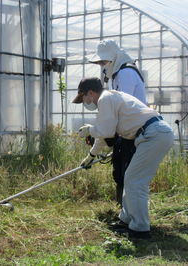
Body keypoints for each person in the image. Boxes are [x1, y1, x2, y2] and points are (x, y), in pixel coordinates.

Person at [72, 77, 174, 239]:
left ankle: (140, 229)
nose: (84, 102)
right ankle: (126, 220)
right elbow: (106, 132)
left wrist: (90, 130)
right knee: (131, 178)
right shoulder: (110, 98)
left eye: (83, 98)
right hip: (153, 134)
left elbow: (104, 131)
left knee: (135, 181)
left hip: (153, 135)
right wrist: (91, 155)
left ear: (90, 93)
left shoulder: (105, 99)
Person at [87, 40, 147, 206]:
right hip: (126, 130)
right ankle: (124, 212)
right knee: (120, 172)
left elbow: (120, 107)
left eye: (103, 62)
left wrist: (103, 133)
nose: (102, 66)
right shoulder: (116, 75)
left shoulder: (126, 73)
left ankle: (131, 216)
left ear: (114, 58)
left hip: (135, 131)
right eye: (100, 62)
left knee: (128, 174)